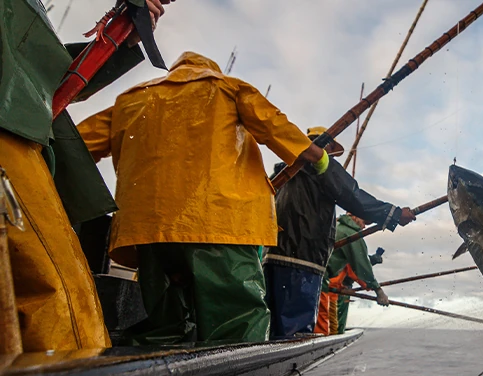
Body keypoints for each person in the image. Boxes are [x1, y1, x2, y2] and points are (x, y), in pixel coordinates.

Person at [77, 52, 327, 345]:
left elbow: (77, 145)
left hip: (147, 230)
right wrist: (317, 156)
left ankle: (151, 371)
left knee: (164, 321)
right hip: (219, 223)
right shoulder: (227, 87)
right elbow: (273, 125)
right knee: (235, 320)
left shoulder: (129, 100)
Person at [0, 0, 175, 354]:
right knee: (61, 294)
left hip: (25, 132)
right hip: (12, 137)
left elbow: (46, 82)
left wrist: (120, 38)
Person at [263, 127, 415, 338]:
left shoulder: (281, 174)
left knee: (272, 326)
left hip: (270, 259)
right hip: (303, 262)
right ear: (324, 147)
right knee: (294, 332)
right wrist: (395, 214)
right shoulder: (320, 168)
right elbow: (352, 196)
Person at [318, 213, 390, 335]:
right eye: (364, 222)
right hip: (322, 284)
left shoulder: (336, 226)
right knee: (323, 325)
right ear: (354, 216)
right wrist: (378, 290)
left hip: (317, 280)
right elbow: (361, 266)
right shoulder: (351, 234)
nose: (364, 227)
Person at [335, 247, 384, 334]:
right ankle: (335, 332)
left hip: (337, 285)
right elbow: (360, 265)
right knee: (336, 320)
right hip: (340, 288)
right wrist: (377, 290)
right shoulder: (353, 244)